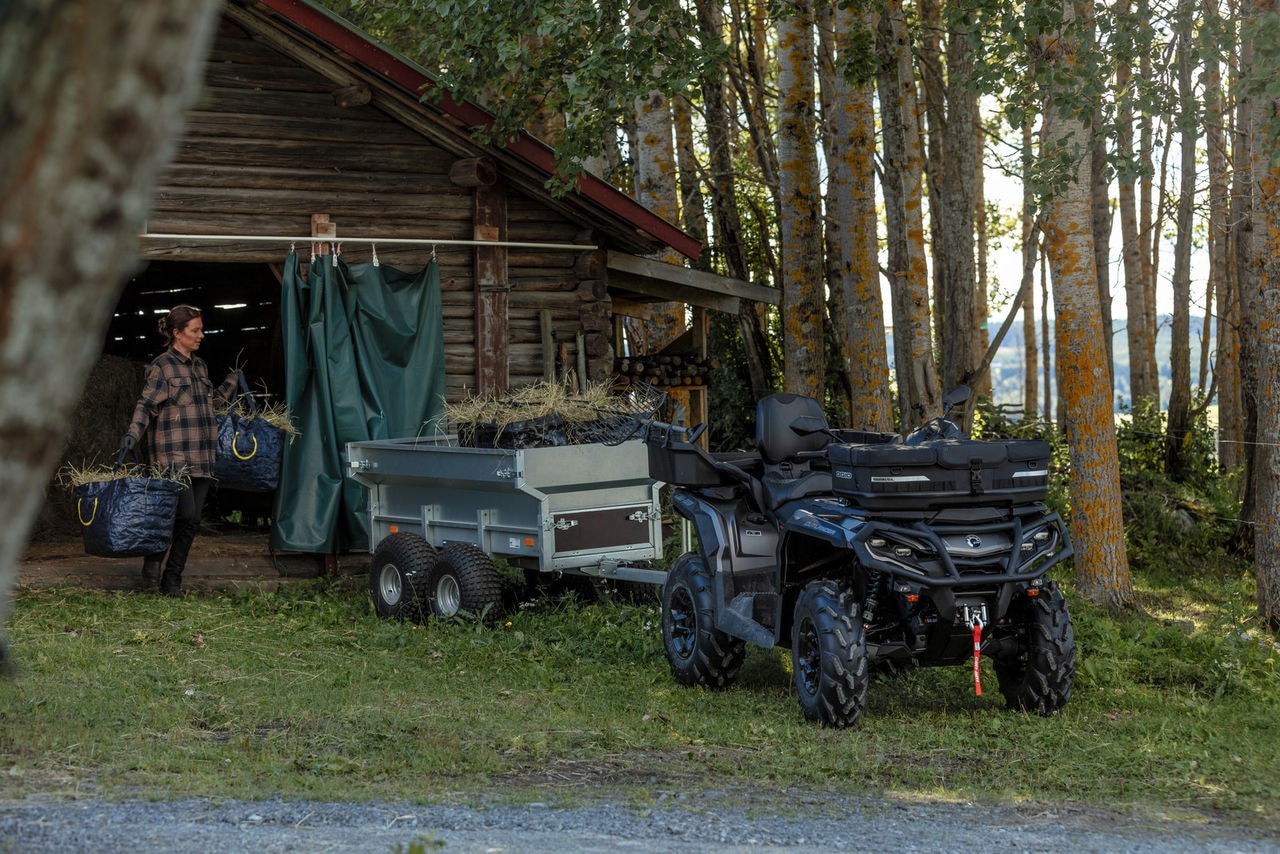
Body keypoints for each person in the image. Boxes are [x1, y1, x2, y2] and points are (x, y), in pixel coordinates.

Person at [121, 305, 241, 596]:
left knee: (193, 520)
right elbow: (146, 405)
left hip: (202, 455)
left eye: (201, 329)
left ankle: (172, 580)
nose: (201, 335)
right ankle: (153, 564)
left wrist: (231, 383)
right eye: (195, 330)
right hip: (172, 456)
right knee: (183, 514)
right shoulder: (162, 366)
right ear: (177, 333)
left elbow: (209, 403)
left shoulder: (200, 367)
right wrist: (131, 436)